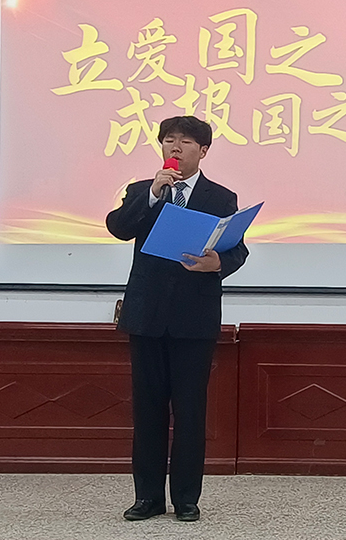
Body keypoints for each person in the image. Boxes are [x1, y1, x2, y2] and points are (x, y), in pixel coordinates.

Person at [106, 115, 248, 522]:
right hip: (146, 316)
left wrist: (218, 263)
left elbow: (237, 250)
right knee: (147, 411)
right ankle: (148, 498)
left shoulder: (221, 197)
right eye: (169, 140)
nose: (175, 148)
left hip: (194, 318)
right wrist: (153, 194)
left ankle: (186, 498)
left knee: (189, 412)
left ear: (202, 151)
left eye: (185, 142)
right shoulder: (142, 191)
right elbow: (119, 228)